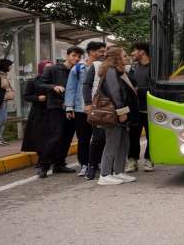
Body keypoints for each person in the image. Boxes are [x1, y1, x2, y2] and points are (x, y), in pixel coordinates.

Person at [85, 47, 139, 186]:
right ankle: (104, 174)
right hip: (114, 113)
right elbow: (115, 93)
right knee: (112, 142)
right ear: (117, 58)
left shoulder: (119, 71)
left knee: (123, 142)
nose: (128, 57)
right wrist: (121, 111)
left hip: (119, 112)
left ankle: (118, 171)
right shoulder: (110, 71)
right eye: (125, 55)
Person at [35, 46, 84, 178]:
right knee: (56, 136)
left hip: (73, 108)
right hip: (56, 107)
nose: (76, 58)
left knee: (67, 137)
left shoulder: (79, 70)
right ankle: (43, 165)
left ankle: (59, 164)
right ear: (67, 55)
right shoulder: (52, 69)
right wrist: (53, 87)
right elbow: (39, 85)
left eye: (79, 57)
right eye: (74, 55)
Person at [64, 41, 106, 176]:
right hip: (81, 109)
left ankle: (96, 162)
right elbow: (71, 87)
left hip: (99, 108)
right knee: (83, 138)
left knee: (100, 137)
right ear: (92, 52)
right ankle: (84, 164)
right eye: (101, 51)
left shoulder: (104, 67)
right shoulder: (78, 68)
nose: (103, 54)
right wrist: (69, 107)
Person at [127, 42, 154, 172]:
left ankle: (149, 159)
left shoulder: (155, 68)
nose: (132, 53)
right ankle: (132, 160)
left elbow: (156, 87)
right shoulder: (133, 67)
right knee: (133, 136)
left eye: (134, 50)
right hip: (135, 109)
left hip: (151, 108)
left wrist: (138, 91)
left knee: (152, 136)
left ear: (142, 52)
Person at [21, 60, 52, 156]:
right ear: (42, 68)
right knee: (39, 135)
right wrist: (37, 98)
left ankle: (53, 158)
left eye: (51, 67)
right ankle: (41, 158)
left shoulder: (55, 81)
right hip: (38, 112)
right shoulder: (33, 81)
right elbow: (26, 96)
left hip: (52, 110)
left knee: (52, 135)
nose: (49, 69)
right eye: (47, 67)